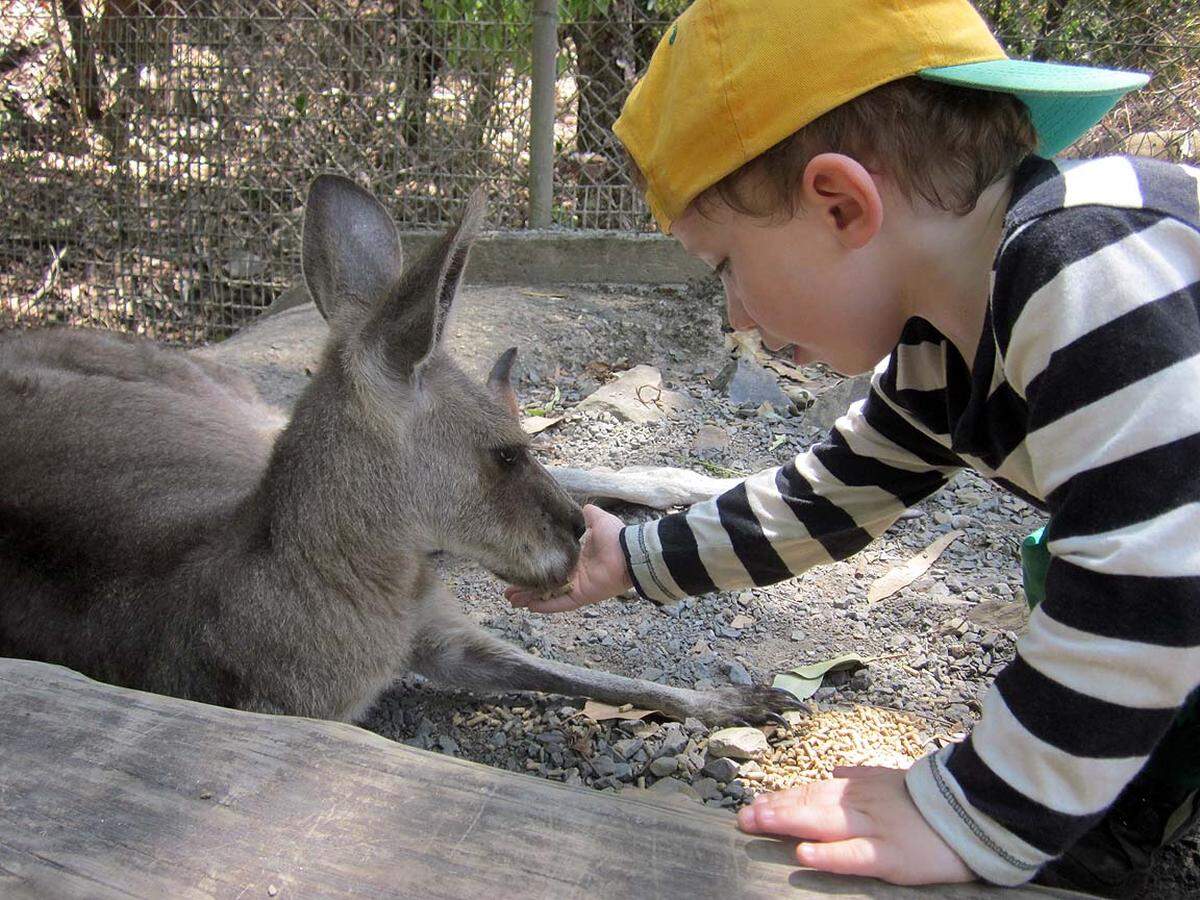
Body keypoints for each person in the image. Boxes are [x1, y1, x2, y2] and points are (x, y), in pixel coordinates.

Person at [505, 0, 1200, 894]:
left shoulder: (1088, 258)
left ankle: (1085, 793)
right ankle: (1128, 790)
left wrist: (977, 810)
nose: (735, 316)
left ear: (839, 205)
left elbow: (1158, 570)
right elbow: (822, 500)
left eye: (724, 265)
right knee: (1076, 560)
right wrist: (631, 558)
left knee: (1109, 564)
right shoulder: (940, 346)